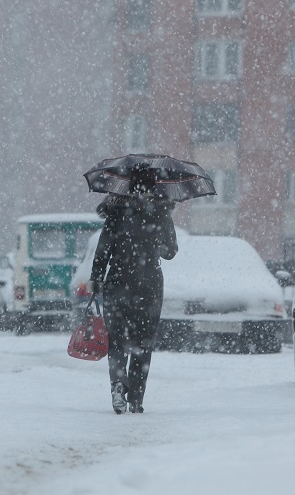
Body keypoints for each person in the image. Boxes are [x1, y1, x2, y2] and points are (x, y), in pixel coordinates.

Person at [88, 165, 178, 414]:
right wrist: (154, 245)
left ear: (129, 184)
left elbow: (102, 251)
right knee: (143, 342)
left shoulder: (116, 211)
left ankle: (118, 386)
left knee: (116, 340)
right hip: (149, 283)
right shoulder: (161, 212)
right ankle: (137, 399)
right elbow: (171, 252)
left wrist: (96, 280)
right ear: (154, 185)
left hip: (118, 281)